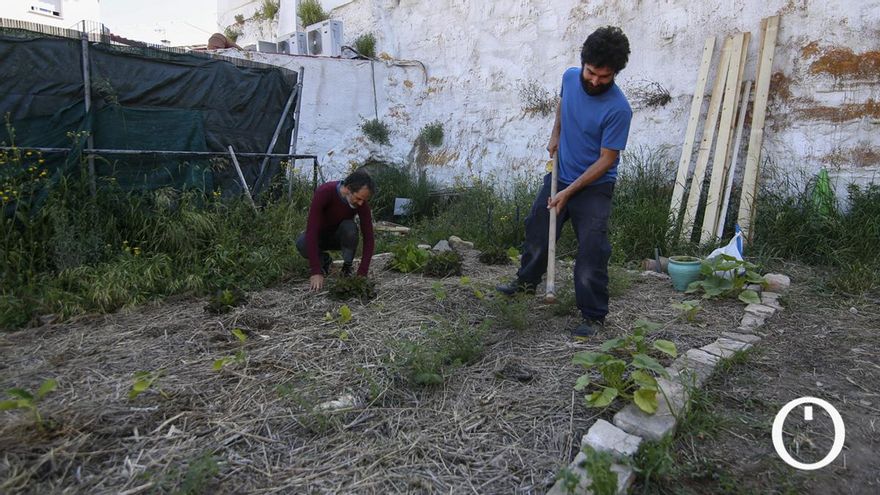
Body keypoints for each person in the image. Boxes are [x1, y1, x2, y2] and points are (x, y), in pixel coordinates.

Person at [496, 26, 633, 339]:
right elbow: (563, 104)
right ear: (582, 63)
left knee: (592, 249)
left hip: (594, 185)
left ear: (616, 73)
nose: (595, 81)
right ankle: (525, 285)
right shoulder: (570, 77)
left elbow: (606, 160)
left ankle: (593, 315)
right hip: (562, 172)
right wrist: (555, 133)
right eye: (591, 73)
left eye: (605, 76)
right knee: (538, 229)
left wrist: (569, 192)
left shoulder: (619, 109)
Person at [296, 169, 376, 291]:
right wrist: (315, 271)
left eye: (363, 200)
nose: (361, 203)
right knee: (302, 243)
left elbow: (369, 238)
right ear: (348, 188)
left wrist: (362, 273)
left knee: (350, 228)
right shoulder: (325, 192)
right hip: (320, 236)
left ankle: (347, 267)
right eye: (358, 198)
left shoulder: (361, 204)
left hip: (339, 237)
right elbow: (311, 229)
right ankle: (324, 261)